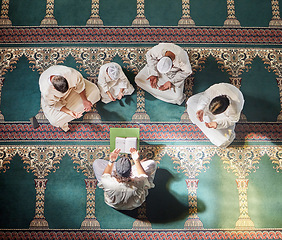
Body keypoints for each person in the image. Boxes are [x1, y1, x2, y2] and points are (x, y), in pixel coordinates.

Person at [39, 65, 100, 131]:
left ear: (64, 77)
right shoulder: (47, 92)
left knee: (95, 90)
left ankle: (78, 105)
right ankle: (73, 111)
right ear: (53, 88)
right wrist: (69, 112)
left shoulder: (70, 73)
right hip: (57, 100)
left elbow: (79, 85)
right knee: (54, 121)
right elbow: (54, 104)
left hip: (72, 89)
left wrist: (84, 100)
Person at [93, 148, 157, 210]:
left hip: (113, 204)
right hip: (134, 205)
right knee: (152, 163)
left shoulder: (108, 181)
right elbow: (143, 175)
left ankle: (117, 166)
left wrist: (111, 161)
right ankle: (131, 167)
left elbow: (105, 174)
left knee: (96, 163)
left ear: (116, 172)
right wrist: (137, 161)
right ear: (131, 171)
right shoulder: (140, 181)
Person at [187, 83, 244, 148]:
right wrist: (200, 109)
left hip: (225, 115)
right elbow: (205, 97)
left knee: (223, 140)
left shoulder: (235, 109)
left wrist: (217, 124)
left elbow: (232, 120)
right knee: (191, 101)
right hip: (213, 100)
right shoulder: (214, 89)